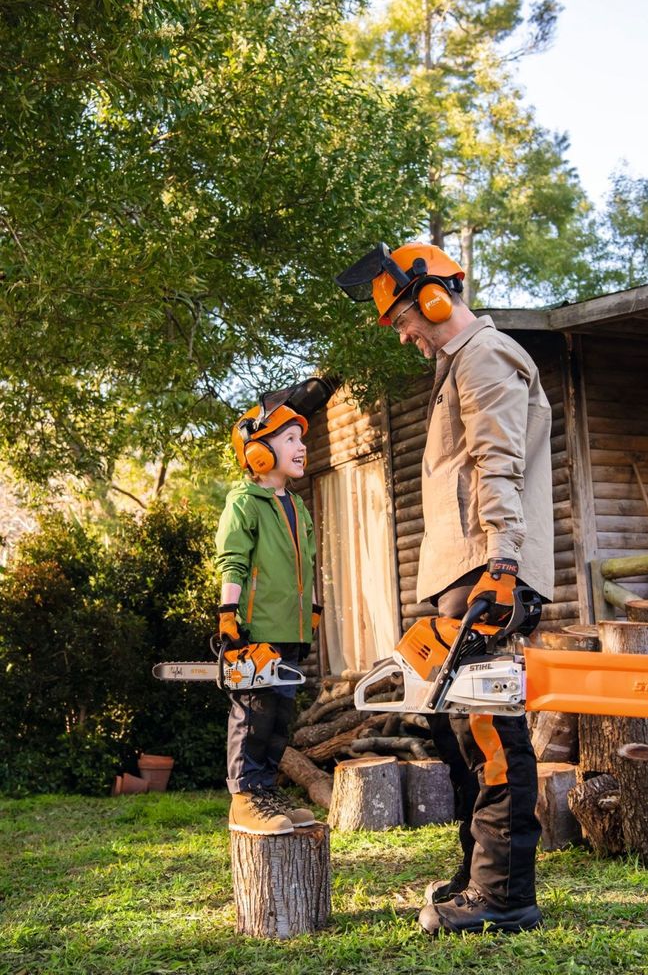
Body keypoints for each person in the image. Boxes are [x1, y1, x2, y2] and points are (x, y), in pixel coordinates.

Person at [334, 242, 554, 934]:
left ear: (433, 299)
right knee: (461, 729)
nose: (404, 335)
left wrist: (502, 564)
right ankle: (479, 876)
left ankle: (505, 896)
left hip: (483, 568)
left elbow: (498, 463)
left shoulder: (485, 357)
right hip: (460, 570)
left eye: (404, 320)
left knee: (491, 732)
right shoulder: (457, 366)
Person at [215, 395, 323, 835]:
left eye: (301, 439)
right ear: (258, 451)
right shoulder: (244, 502)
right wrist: (228, 613)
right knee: (254, 714)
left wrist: (310, 613)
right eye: (290, 439)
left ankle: (265, 791)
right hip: (256, 628)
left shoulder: (297, 505)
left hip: (291, 629)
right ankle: (244, 797)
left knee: (279, 719)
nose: (301, 447)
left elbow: (308, 563)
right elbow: (233, 561)